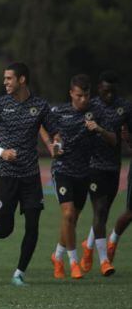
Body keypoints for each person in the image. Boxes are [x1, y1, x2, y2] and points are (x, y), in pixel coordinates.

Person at [0, 62, 55, 285]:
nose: (5, 82)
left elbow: (55, 132)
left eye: (9, 78)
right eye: (4, 78)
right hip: (5, 174)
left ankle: (19, 273)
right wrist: (1, 152)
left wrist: (57, 144)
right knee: (6, 228)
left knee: (33, 225)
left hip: (30, 175)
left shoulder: (40, 106)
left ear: (22, 80)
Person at [45, 74, 116, 279]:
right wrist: (52, 145)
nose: (83, 100)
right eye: (79, 96)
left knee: (72, 220)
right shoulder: (59, 112)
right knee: (67, 215)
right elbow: (42, 126)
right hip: (62, 170)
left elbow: (113, 141)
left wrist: (99, 129)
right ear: (71, 94)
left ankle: (57, 257)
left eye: (86, 95)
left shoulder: (97, 113)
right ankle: (73, 262)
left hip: (84, 173)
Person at [79, 71, 132, 274]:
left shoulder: (125, 107)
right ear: (98, 88)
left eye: (112, 91)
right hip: (93, 166)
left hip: (113, 167)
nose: (108, 95)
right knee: (99, 211)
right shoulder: (90, 106)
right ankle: (104, 262)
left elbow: (128, 134)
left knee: (104, 213)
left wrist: (128, 139)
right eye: (105, 90)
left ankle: (88, 245)